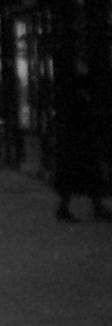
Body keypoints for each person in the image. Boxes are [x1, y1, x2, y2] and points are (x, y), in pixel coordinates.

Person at [54, 73, 110, 222]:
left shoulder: (74, 101)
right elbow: (85, 122)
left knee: (80, 178)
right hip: (80, 147)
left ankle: (67, 208)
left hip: (75, 147)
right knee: (88, 177)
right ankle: (93, 207)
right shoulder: (78, 102)